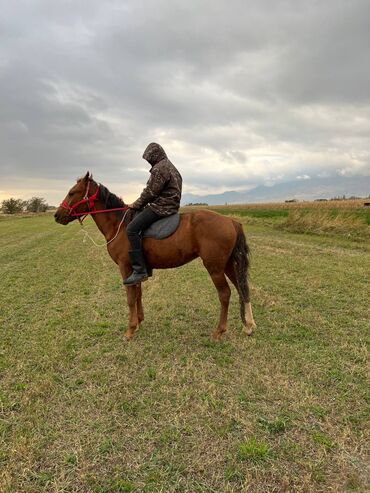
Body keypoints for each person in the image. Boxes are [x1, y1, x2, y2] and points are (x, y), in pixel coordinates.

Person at [123, 142, 182, 285]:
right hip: (172, 206)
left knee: (131, 229)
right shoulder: (171, 167)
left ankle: (139, 270)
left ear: (155, 156)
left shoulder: (159, 168)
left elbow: (150, 192)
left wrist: (135, 205)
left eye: (149, 158)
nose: (148, 161)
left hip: (161, 207)